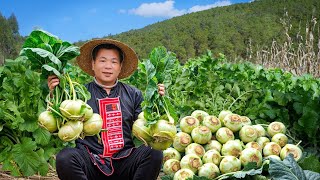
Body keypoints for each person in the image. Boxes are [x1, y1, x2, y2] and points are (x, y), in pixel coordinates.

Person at [48, 39, 165, 180]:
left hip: (124, 161)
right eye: (102, 61)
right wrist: (55, 94)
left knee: (155, 153)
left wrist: (157, 100)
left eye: (114, 62)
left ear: (120, 66)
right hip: (91, 161)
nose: (108, 66)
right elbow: (57, 126)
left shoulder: (133, 94)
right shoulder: (79, 94)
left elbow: (148, 126)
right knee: (65, 158)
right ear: (93, 64)